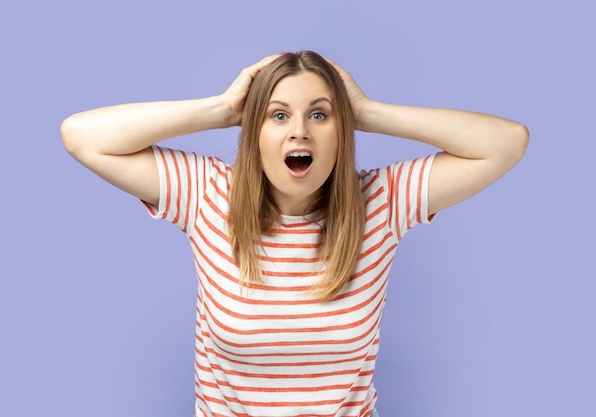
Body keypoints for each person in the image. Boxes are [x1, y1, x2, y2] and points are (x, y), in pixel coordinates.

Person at [61, 50, 528, 417]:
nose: (299, 132)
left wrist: (366, 111)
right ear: (253, 130)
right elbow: (82, 135)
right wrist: (222, 108)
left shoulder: (382, 203)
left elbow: (506, 144)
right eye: (278, 115)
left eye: (320, 115)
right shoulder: (207, 194)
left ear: (341, 131)